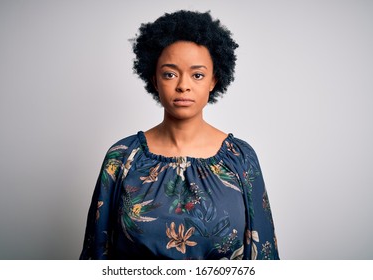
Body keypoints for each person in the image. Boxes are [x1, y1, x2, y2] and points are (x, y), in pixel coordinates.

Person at [80, 10, 279, 260]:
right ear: (154, 79)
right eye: (170, 74)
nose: (183, 85)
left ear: (213, 81)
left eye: (197, 75)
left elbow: (264, 255)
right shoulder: (121, 158)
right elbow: (95, 254)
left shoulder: (240, 157)